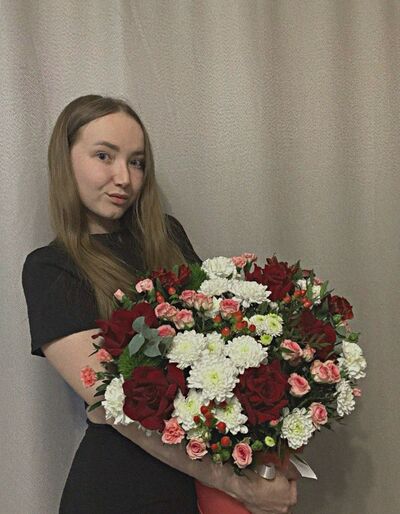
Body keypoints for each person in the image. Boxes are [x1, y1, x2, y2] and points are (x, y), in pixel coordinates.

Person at [22, 94, 298, 514]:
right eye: (104, 156)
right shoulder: (51, 268)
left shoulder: (167, 238)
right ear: (65, 161)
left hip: (200, 477)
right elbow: (117, 410)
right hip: (123, 486)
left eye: (136, 162)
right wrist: (238, 484)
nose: (124, 178)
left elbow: (222, 351)